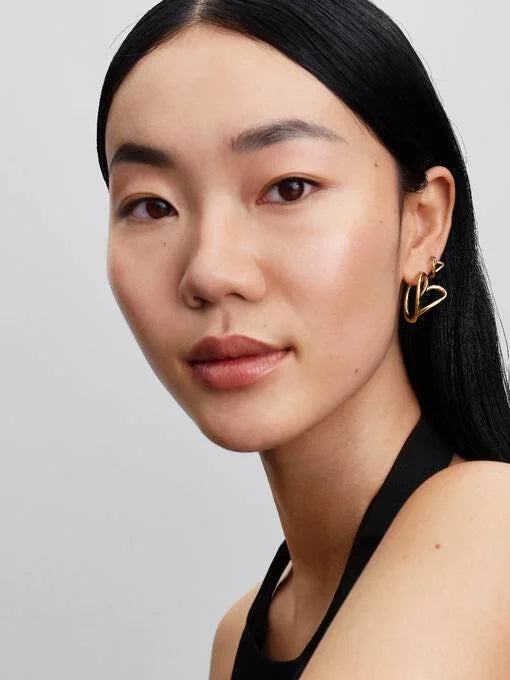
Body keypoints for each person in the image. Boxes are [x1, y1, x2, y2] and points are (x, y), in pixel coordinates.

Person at [96, 1, 510, 677]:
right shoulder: (238, 637)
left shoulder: (492, 525)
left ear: (422, 225)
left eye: (289, 188)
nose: (210, 272)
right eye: (151, 205)